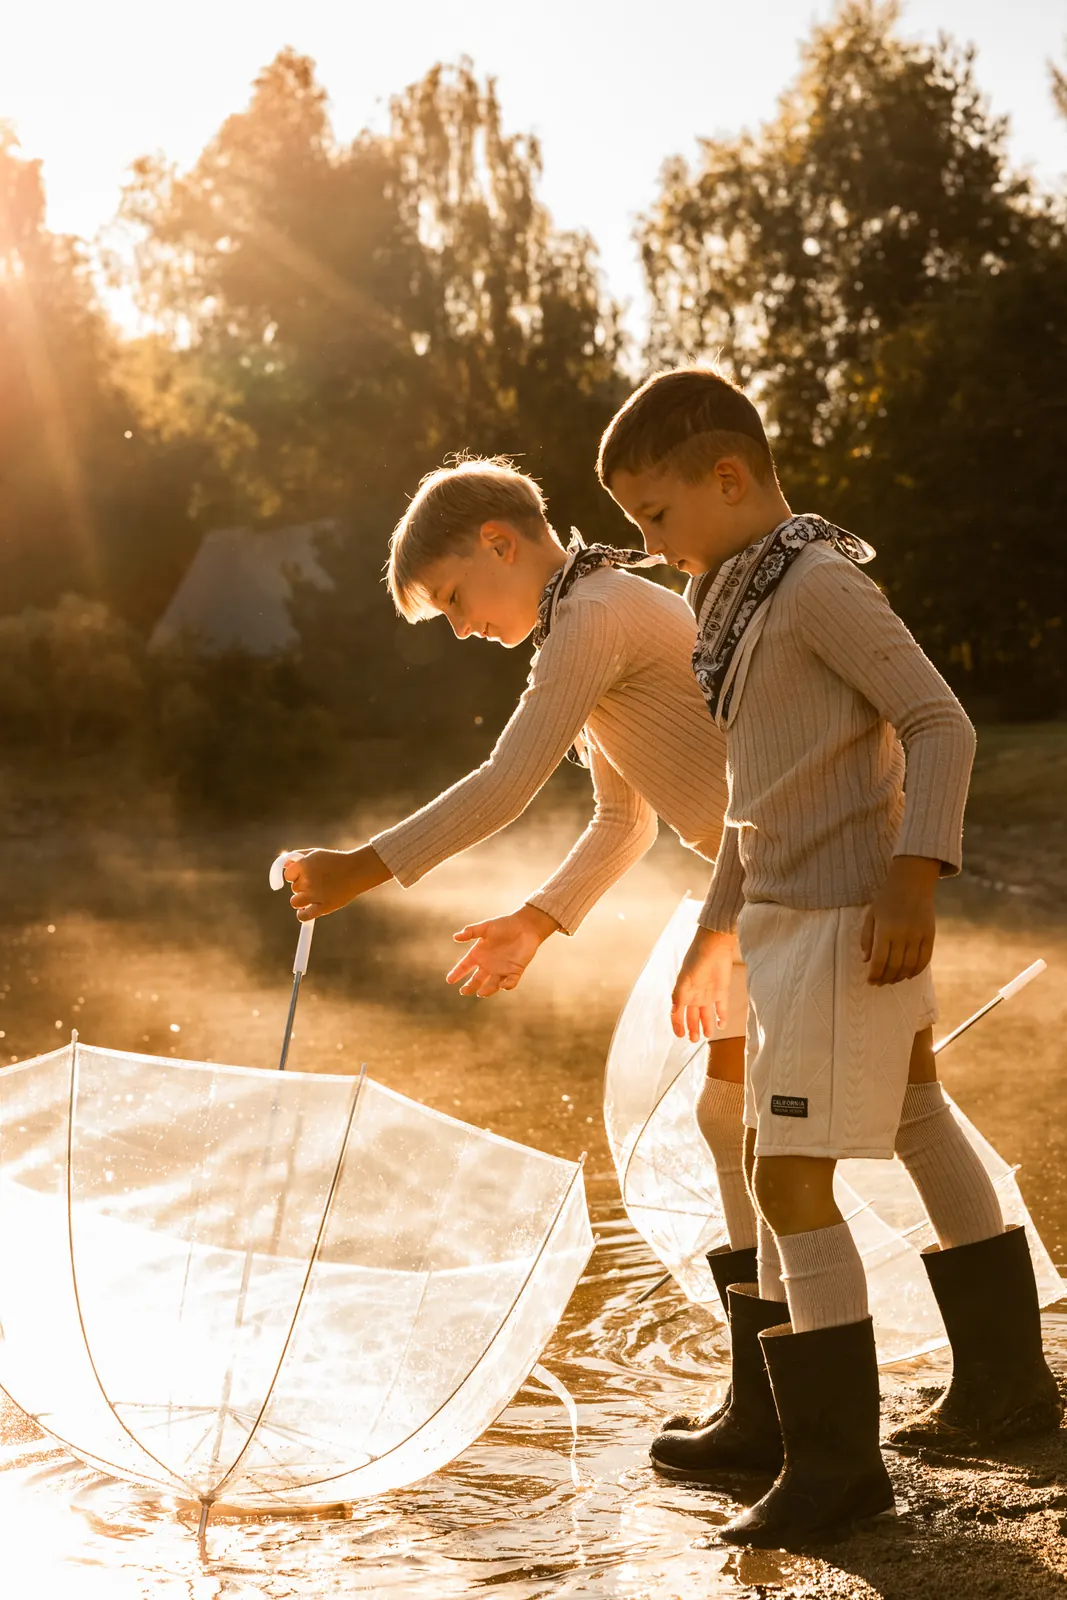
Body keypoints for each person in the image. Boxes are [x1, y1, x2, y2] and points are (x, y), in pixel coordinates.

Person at [597, 368, 1062, 1548]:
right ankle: (1005, 1388)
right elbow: (756, 798)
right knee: (912, 1116)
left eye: (654, 516)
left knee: (783, 1177)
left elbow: (939, 721)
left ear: (726, 477)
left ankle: (835, 1470)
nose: (646, 546)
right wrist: (714, 930)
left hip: (847, 919)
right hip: (785, 917)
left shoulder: (813, 586)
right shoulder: (739, 601)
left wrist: (916, 872)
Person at [281, 456, 761, 1283]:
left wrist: (357, 870)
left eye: (455, 601)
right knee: (726, 1119)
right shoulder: (586, 614)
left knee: (768, 1122)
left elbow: (506, 783)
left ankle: (786, 1360)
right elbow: (624, 819)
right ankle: (767, 1366)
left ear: (497, 543)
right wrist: (535, 922)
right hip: (748, 882)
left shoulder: (593, 615)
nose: (462, 631)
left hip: (778, 873)